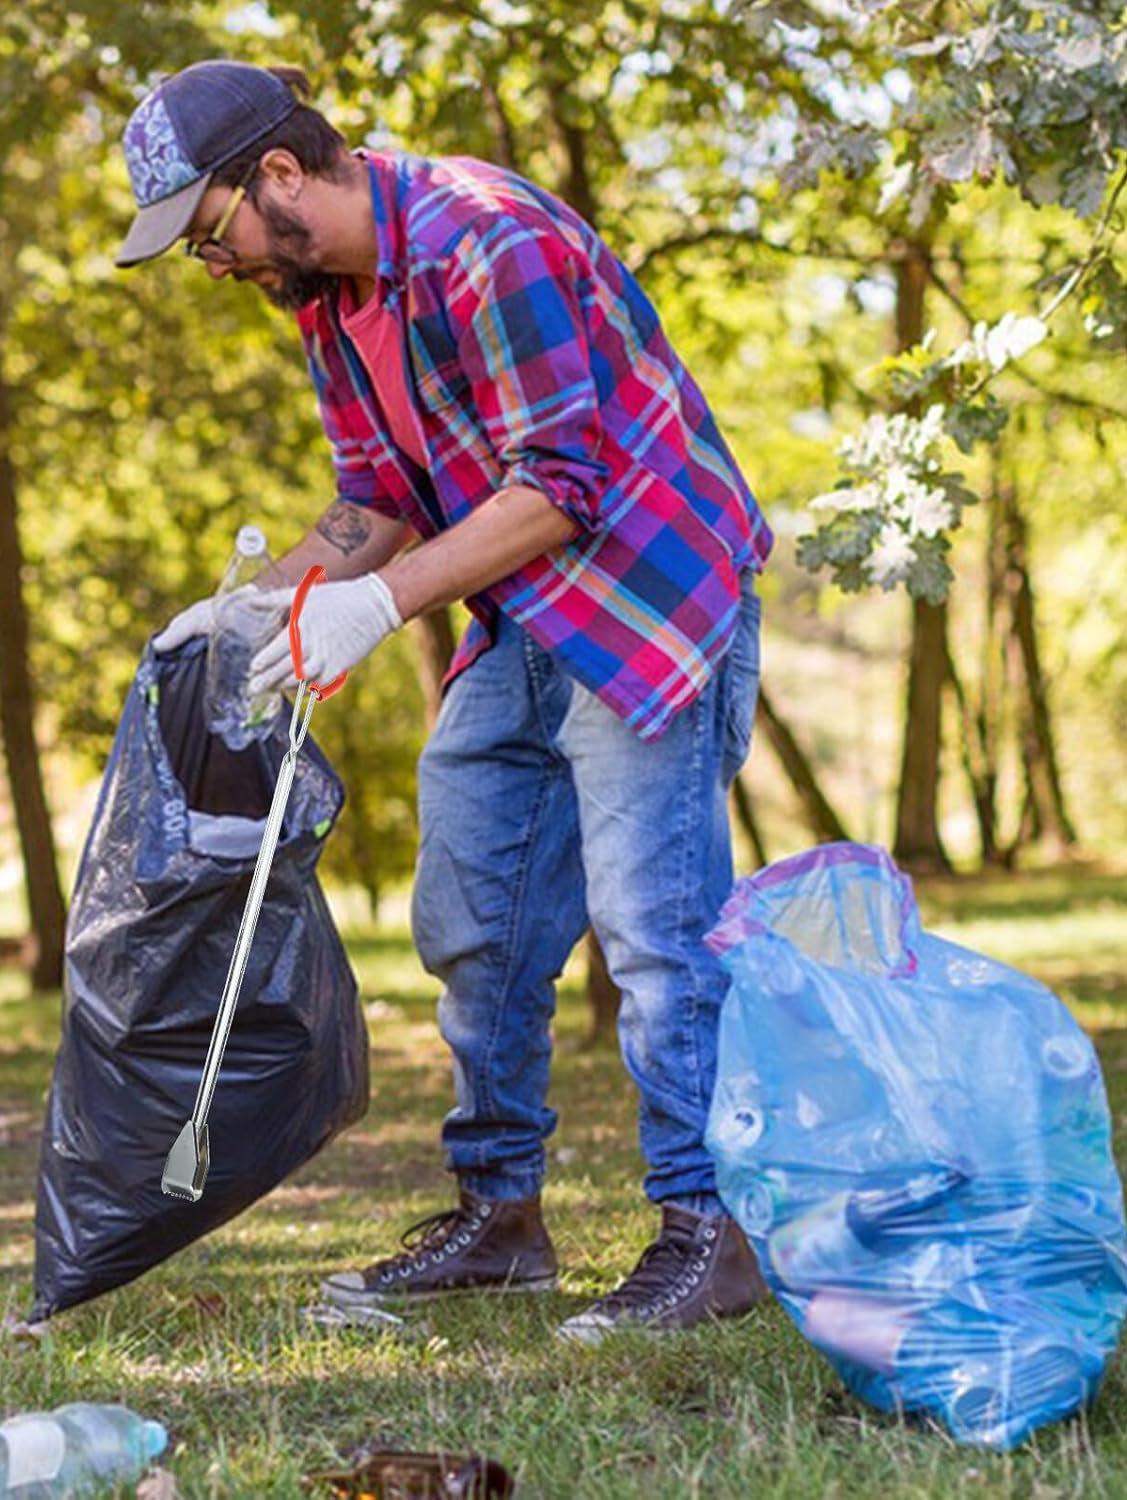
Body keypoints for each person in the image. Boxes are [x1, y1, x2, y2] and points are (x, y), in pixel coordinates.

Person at [117, 60, 772, 1343]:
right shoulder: (329, 303)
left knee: (658, 931)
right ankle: (501, 1221)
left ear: (282, 177)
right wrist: (253, 605)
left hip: (646, 601)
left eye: (213, 233)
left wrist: (381, 606)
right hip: (524, 610)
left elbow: (560, 485)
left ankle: (713, 1233)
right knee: (474, 918)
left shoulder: (487, 240)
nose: (220, 264)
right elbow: (374, 501)